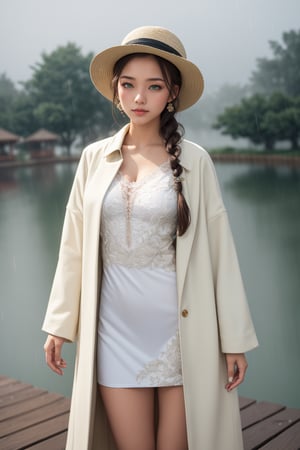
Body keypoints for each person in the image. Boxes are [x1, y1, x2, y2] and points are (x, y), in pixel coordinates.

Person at [42, 25, 258, 450]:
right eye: (129, 85)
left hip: (183, 335)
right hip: (114, 333)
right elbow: (73, 245)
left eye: (153, 86)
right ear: (115, 88)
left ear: (171, 93)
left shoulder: (196, 161)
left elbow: (221, 253)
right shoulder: (93, 158)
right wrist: (60, 324)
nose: (139, 98)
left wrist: (233, 339)